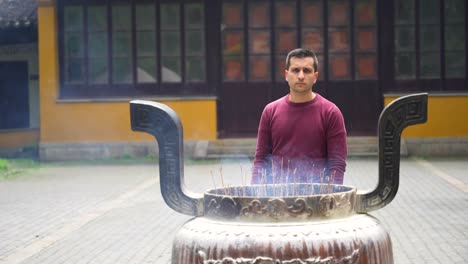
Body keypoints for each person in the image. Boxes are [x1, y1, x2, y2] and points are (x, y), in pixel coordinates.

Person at [252, 48, 347, 185]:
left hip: (316, 196)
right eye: (296, 70)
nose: (301, 76)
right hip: (278, 195)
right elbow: (261, 159)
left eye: (307, 71)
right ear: (286, 74)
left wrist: (332, 197)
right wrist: (254, 193)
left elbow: (337, 163)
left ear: (315, 77)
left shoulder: (331, 112)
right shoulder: (271, 111)